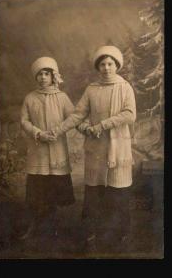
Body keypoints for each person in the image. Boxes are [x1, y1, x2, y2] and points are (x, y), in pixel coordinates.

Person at [51, 46, 136, 253]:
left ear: (116, 65)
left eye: (110, 64)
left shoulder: (125, 88)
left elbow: (129, 114)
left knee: (118, 192)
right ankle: (92, 232)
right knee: (94, 192)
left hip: (118, 148)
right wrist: (57, 130)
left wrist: (102, 125)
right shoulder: (92, 89)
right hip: (97, 148)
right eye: (102, 64)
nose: (106, 68)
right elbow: (78, 114)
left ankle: (120, 234)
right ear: (98, 67)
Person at [20, 56, 75, 240]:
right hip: (38, 152)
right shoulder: (30, 98)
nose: (43, 77)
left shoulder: (62, 97)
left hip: (57, 148)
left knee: (54, 193)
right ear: (36, 77)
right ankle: (35, 226)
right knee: (37, 192)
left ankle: (53, 228)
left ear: (54, 77)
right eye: (40, 74)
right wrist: (38, 133)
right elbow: (24, 121)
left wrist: (58, 131)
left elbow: (73, 118)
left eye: (46, 74)